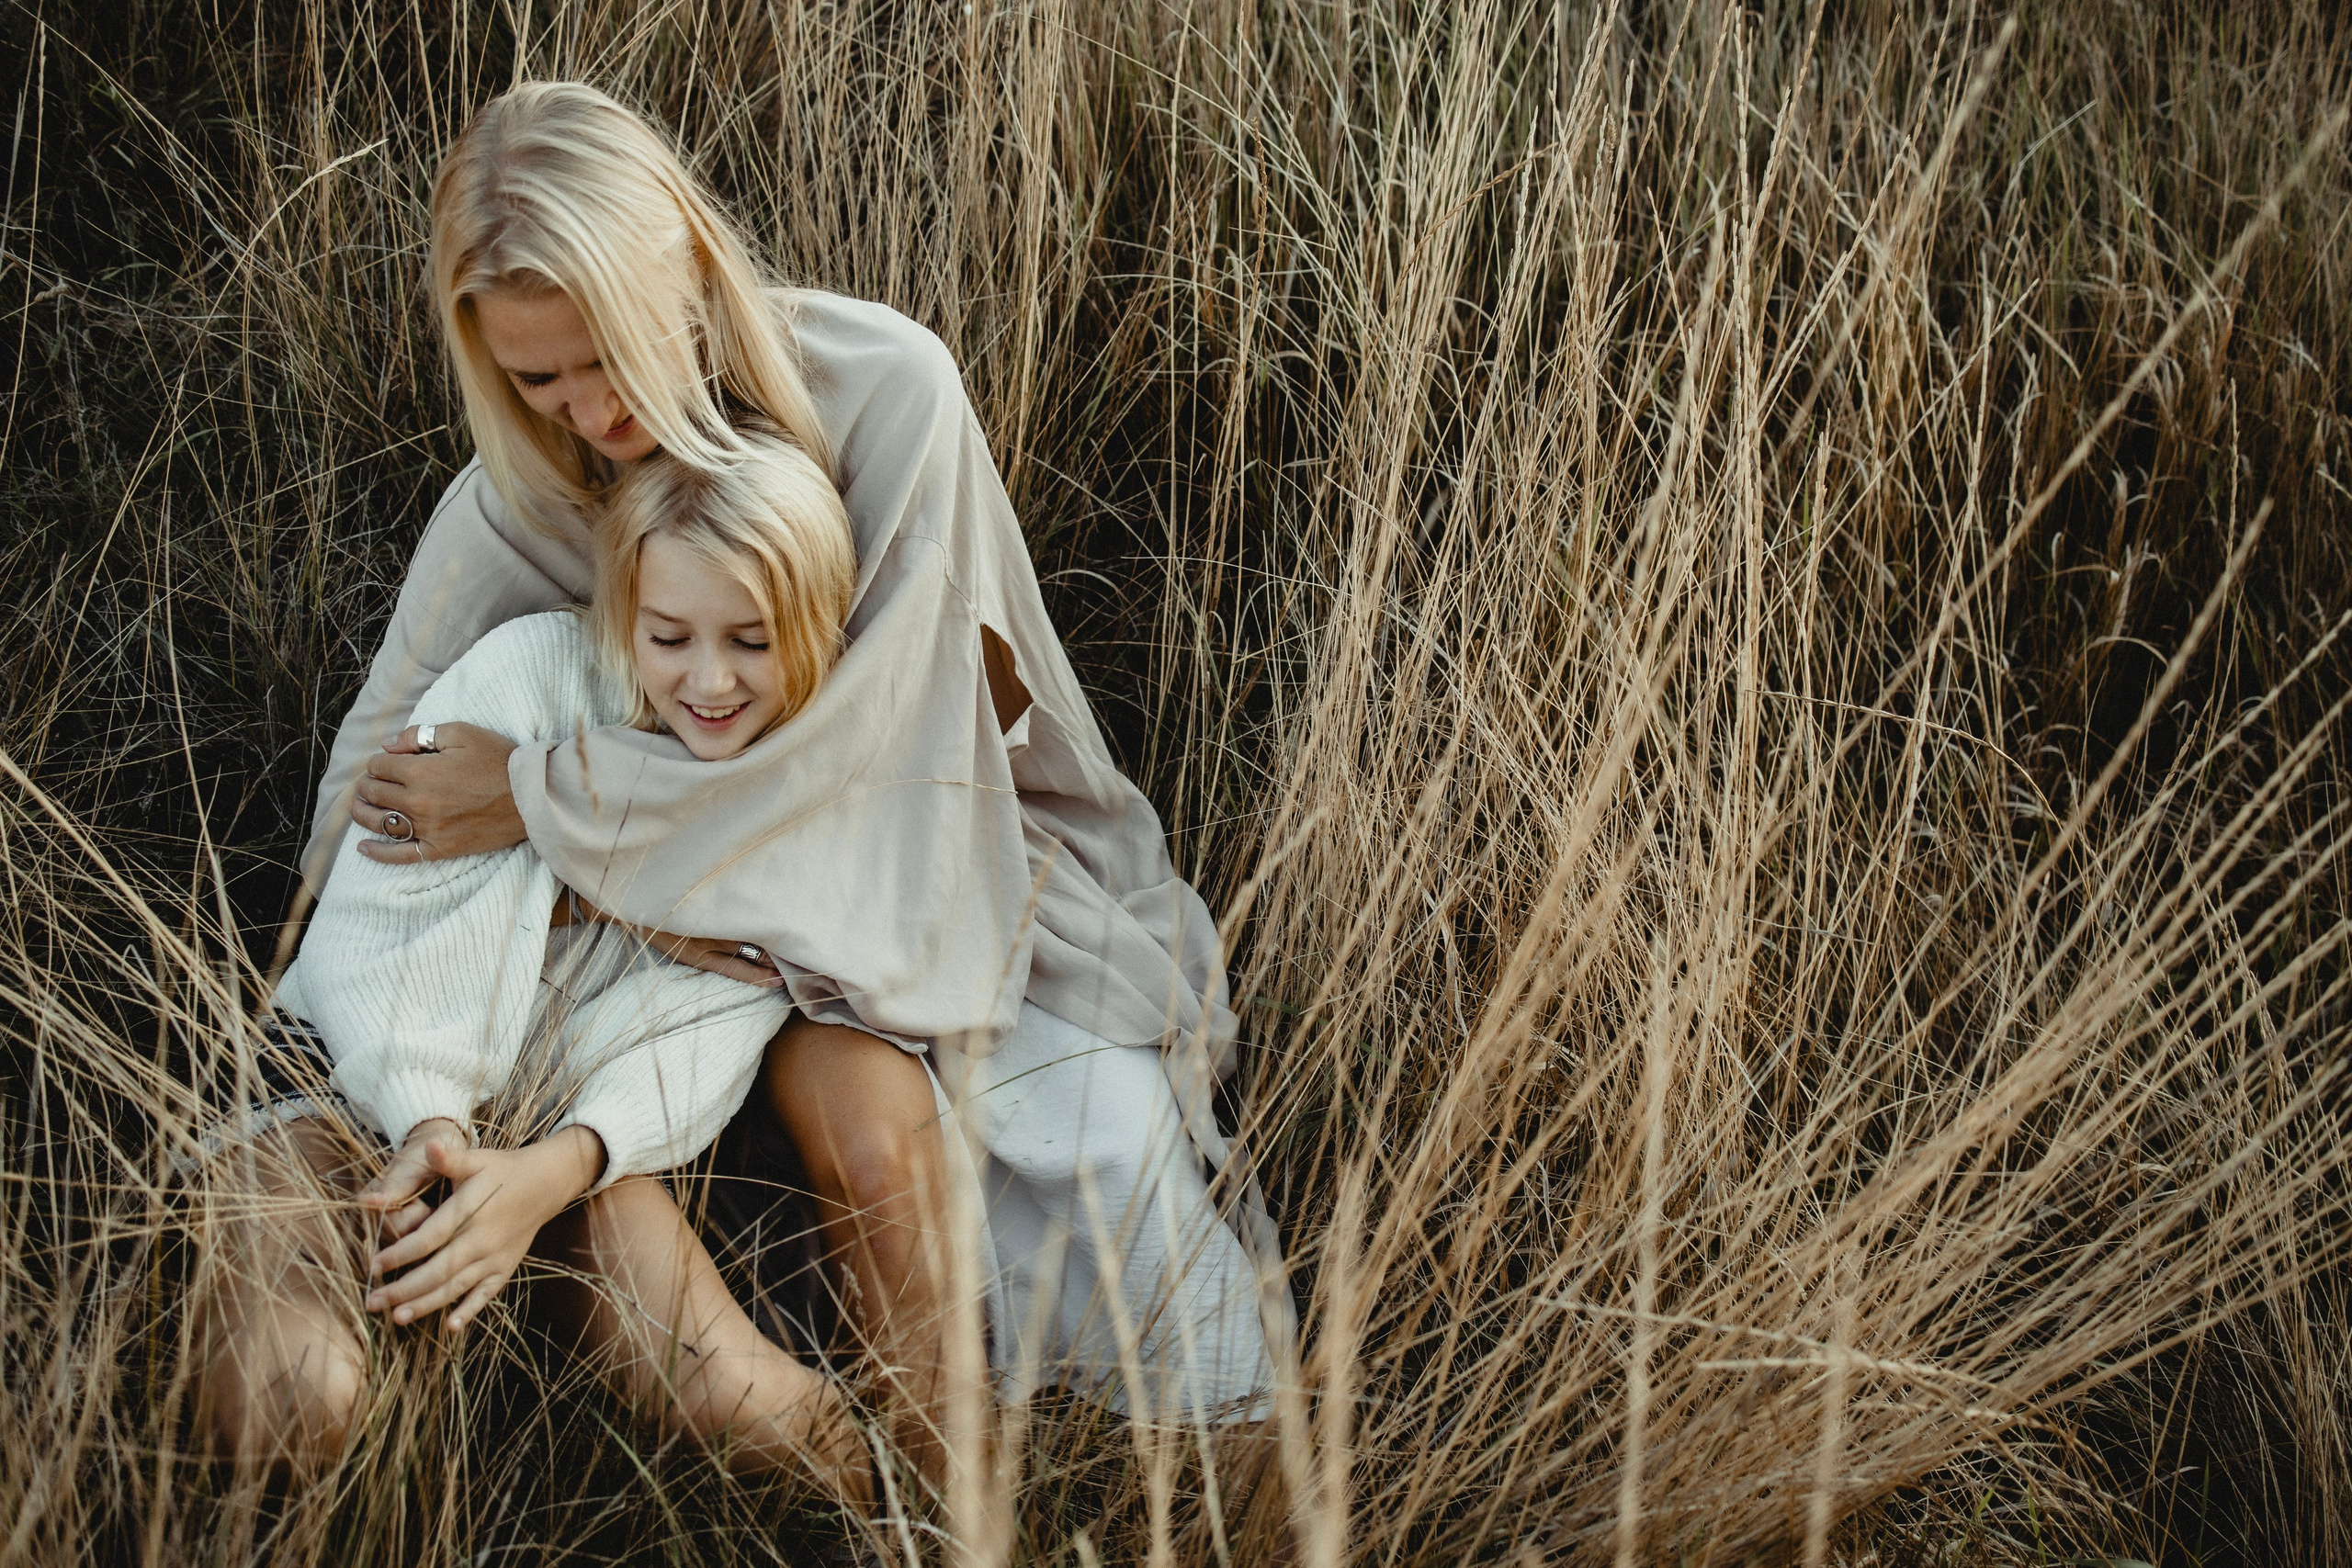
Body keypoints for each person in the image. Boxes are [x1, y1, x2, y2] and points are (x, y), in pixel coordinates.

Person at [304, 80, 1283, 1488]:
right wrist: (322, 960)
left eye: (609, 355)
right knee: (700, 1214)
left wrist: (538, 795)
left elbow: (901, 746)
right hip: (674, 941)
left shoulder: (885, 389)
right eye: (536, 379)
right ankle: (866, 1483)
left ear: (689, 266)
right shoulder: (523, 493)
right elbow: (384, 757)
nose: (592, 409)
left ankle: (989, 1486)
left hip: (937, 869)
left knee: (1073, 1144)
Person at [197, 428, 872, 1499]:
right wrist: (431, 1117)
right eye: (668, 635)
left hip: (575, 1153)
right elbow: (394, 893)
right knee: (292, 1402)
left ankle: (947, 1516)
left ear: (820, 632)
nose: (707, 679)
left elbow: (714, 1026)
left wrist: (548, 1171)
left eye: (752, 640)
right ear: (623, 614)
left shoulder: (802, 805)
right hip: (338, 1090)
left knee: (760, 1422)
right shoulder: (531, 671)